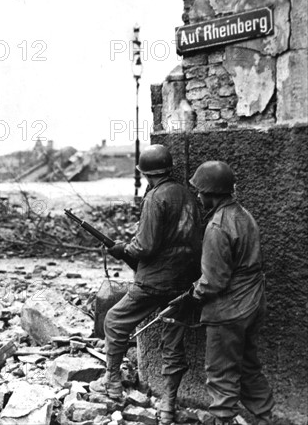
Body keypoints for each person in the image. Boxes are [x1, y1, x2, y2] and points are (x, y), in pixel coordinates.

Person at [90, 144, 202, 425]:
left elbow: (146, 246)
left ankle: (112, 382)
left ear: (146, 173)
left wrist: (122, 248)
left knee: (115, 321)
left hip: (154, 282)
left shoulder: (154, 197)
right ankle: (167, 406)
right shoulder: (189, 195)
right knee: (172, 343)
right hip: (184, 283)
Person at [189, 161, 274, 425]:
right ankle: (264, 417)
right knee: (248, 367)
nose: (198, 196)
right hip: (253, 303)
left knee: (221, 373)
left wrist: (193, 293)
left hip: (228, 310)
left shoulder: (217, 226)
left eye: (200, 191)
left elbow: (214, 281)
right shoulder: (244, 215)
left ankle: (223, 420)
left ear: (210, 192)